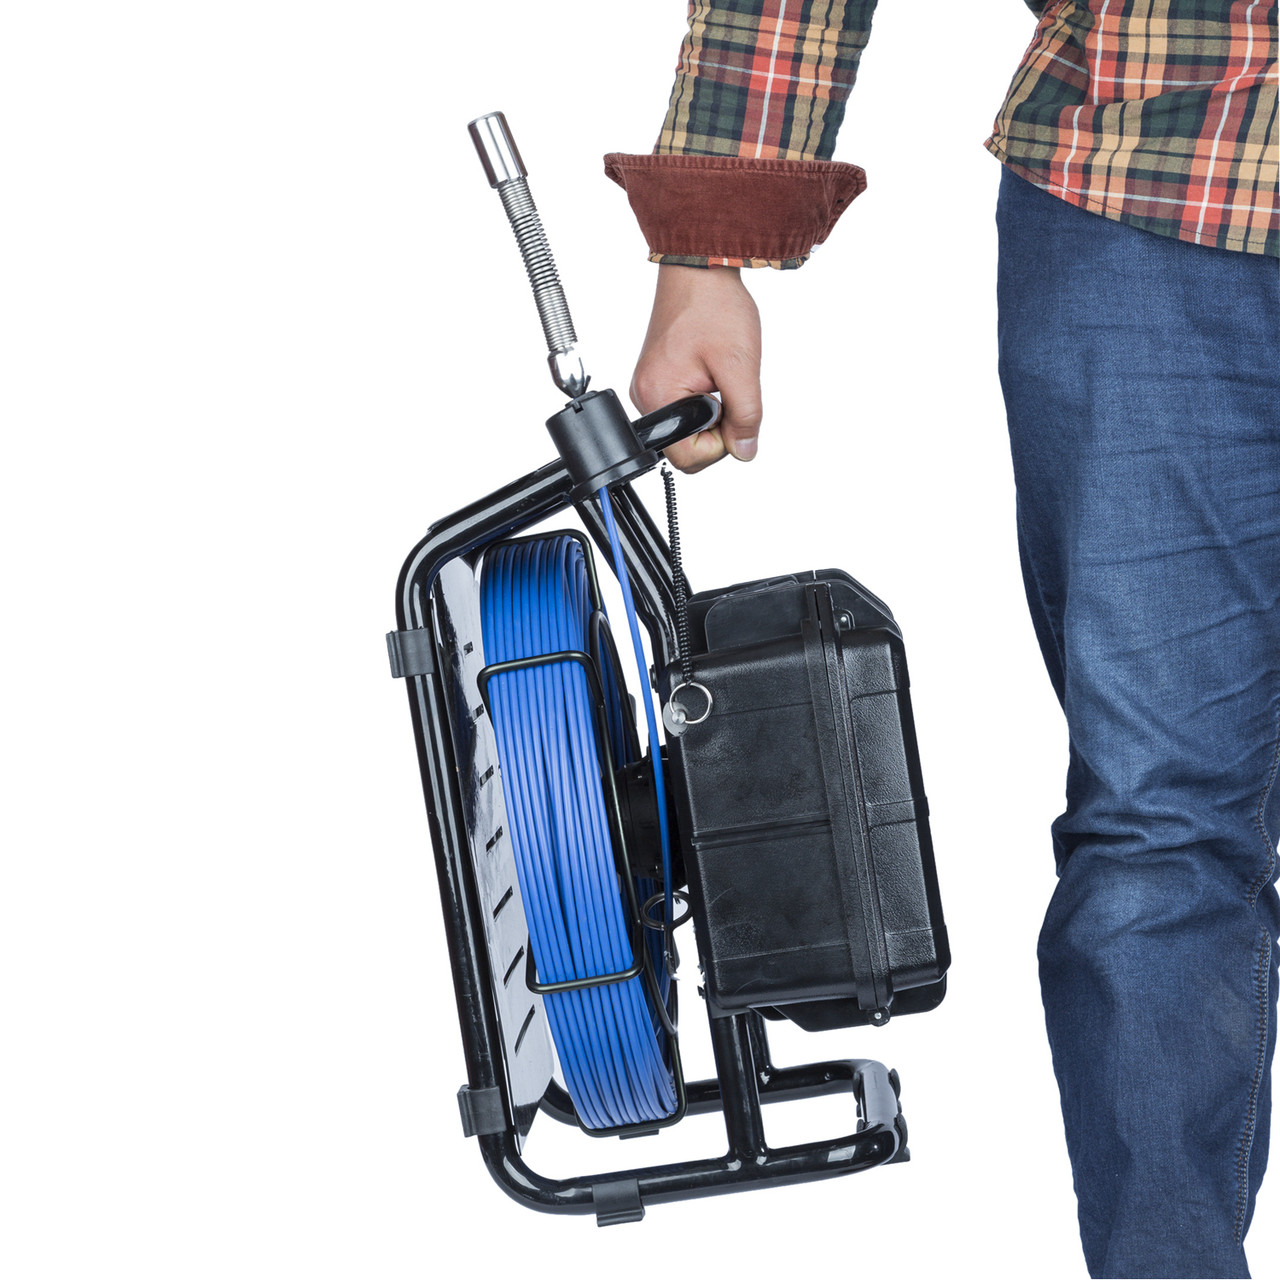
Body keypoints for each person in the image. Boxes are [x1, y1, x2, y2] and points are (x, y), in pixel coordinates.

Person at [604, 3, 1280, 1277]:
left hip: (1148, 226)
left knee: (1164, 831)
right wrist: (709, 241)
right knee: (1159, 827)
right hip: (1153, 191)